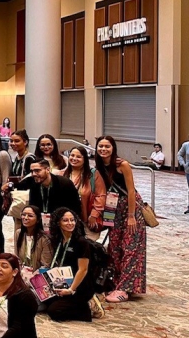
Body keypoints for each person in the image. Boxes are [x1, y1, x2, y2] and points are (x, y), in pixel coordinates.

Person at [94, 136, 146, 303]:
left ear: (113, 148)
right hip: (112, 208)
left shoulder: (122, 165)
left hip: (129, 208)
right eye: (100, 146)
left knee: (131, 247)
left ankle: (126, 287)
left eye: (107, 146)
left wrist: (131, 216)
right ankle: (116, 282)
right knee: (115, 246)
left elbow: (131, 191)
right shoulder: (100, 166)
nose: (103, 149)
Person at [45, 207, 95, 321]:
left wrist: (71, 289)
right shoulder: (58, 239)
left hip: (80, 284)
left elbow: (83, 270)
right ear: (58, 223)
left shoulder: (81, 242)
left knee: (54, 312)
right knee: (45, 301)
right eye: (65, 220)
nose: (70, 223)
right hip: (63, 280)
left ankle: (86, 310)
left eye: (72, 220)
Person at [12, 160, 81, 225]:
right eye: (32, 171)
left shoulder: (64, 183)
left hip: (62, 222)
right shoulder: (34, 182)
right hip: (41, 222)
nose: (33, 174)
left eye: (37, 171)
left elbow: (75, 208)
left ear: (48, 170)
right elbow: (19, 186)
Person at [13, 205, 53, 275]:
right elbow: (17, 258)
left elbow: (46, 265)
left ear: (38, 219)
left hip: (38, 276)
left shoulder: (44, 238)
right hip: (22, 274)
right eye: (23, 215)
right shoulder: (18, 233)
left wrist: (33, 277)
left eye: (30, 216)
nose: (25, 218)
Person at [62, 147, 94, 222]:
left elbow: (100, 196)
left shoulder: (92, 174)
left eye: (78, 156)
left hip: (86, 218)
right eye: (72, 155)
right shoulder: (62, 174)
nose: (74, 158)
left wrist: (94, 215)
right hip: (66, 217)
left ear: (85, 159)